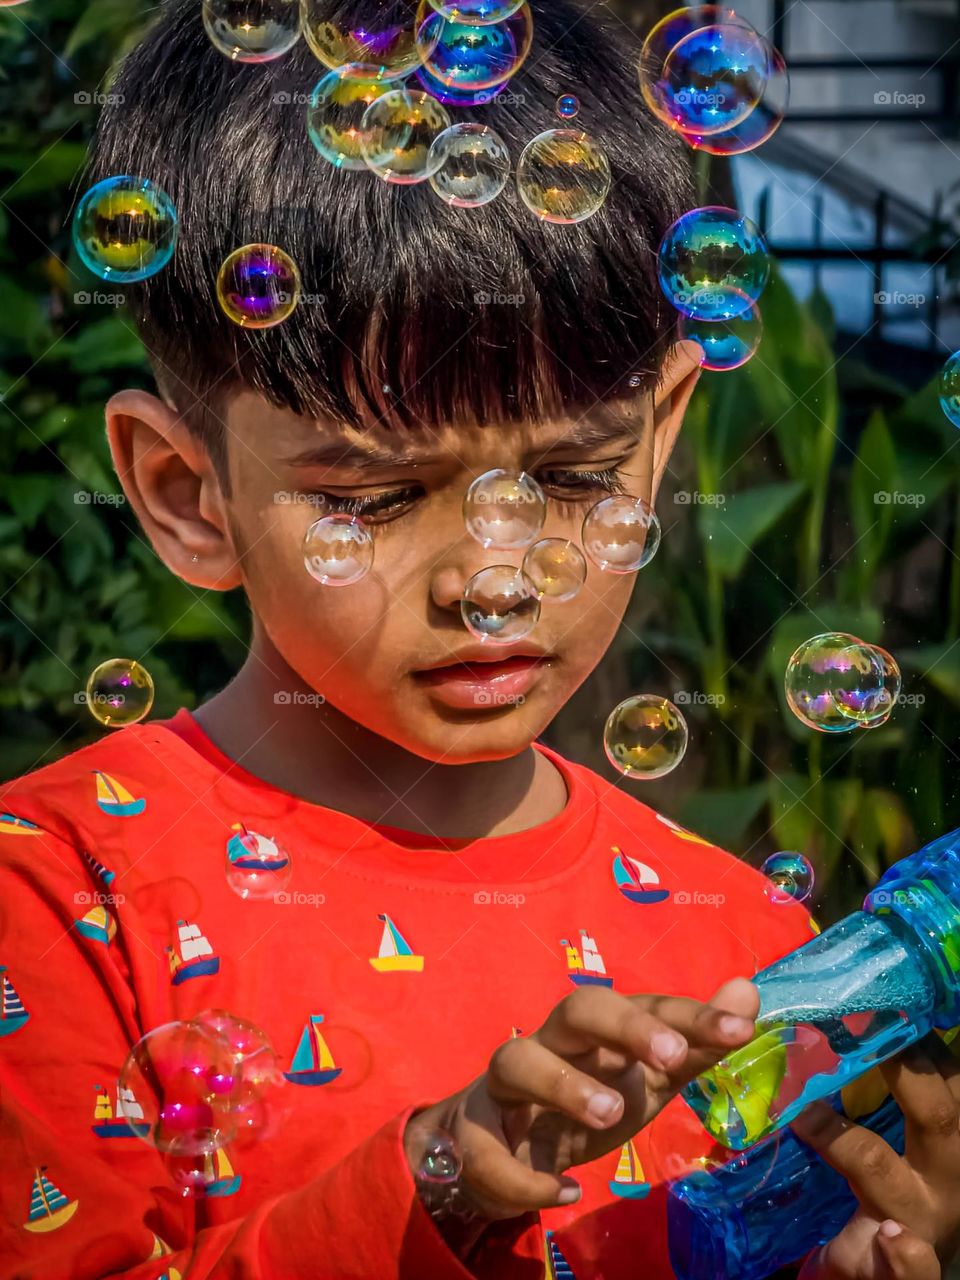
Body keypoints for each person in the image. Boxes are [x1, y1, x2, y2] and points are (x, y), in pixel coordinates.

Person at [1, 1, 958, 1277]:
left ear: (662, 433)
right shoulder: (57, 900)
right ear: (189, 493)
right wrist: (429, 1198)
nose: (493, 581)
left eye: (570, 476)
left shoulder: (749, 947)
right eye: (374, 499)